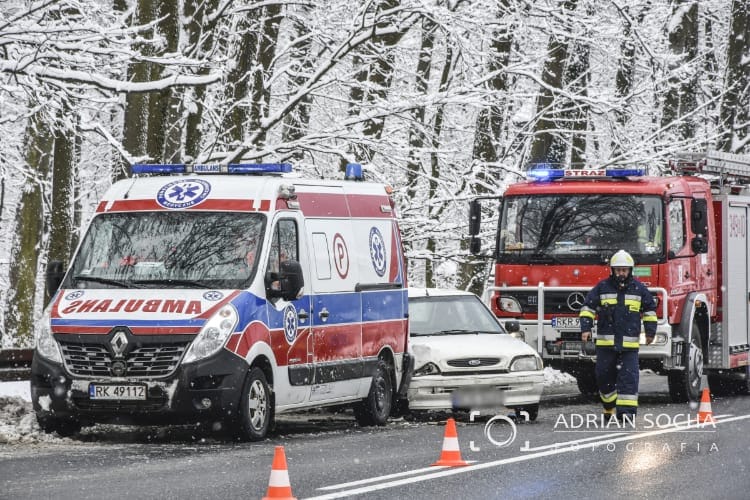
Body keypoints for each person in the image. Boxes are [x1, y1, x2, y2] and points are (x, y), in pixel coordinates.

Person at [579, 249, 657, 423]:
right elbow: (587, 308)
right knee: (603, 377)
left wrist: (650, 331)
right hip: (606, 346)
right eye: (618, 270)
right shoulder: (602, 287)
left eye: (624, 270)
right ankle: (609, 406)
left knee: (629, 378)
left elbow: (650, 310)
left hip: (629, 347)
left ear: (630, 270)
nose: (621, 273)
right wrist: (585, 328)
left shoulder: (639, 289)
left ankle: (626, 413)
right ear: (612, 270)